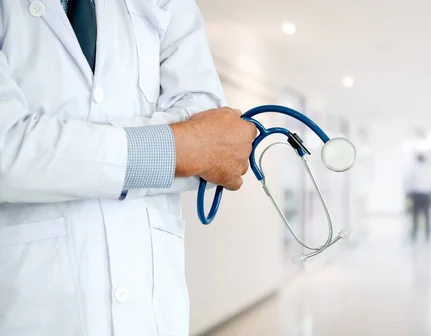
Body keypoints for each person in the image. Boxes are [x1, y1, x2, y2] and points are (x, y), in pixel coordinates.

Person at [0, 1, 256, 335]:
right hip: (32, 307)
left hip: (151, 310)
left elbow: (212, 142)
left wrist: (58, 153)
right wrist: (178, 148)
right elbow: (7, 152)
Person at [407, 154, 431, 241]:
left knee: (415, 214)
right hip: (426, 194)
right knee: (427, 214)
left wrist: (409, 193)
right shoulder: (429, 169)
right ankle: (427, 231)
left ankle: (415, 231)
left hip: (417, 194)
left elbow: (411, 182)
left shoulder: (414, 169)